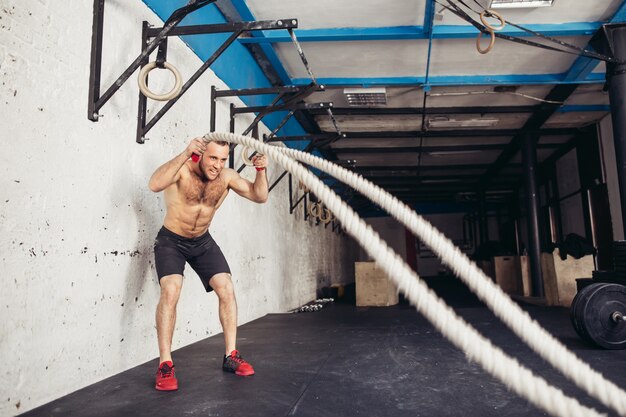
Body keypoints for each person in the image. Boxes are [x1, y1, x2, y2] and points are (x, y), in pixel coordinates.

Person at [148, 136, 268, 391]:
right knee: (171, 290)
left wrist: (261, 170)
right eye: (212, 158)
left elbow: (260, 196)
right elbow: (154, 184)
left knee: (226, 287)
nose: (217, 164)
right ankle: (165, 365)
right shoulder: (183, 169)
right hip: (171, 240)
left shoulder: (226, 177)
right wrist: (184, 152)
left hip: (202, 241)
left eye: (222, 159)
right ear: (201, 154)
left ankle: (231, 356)